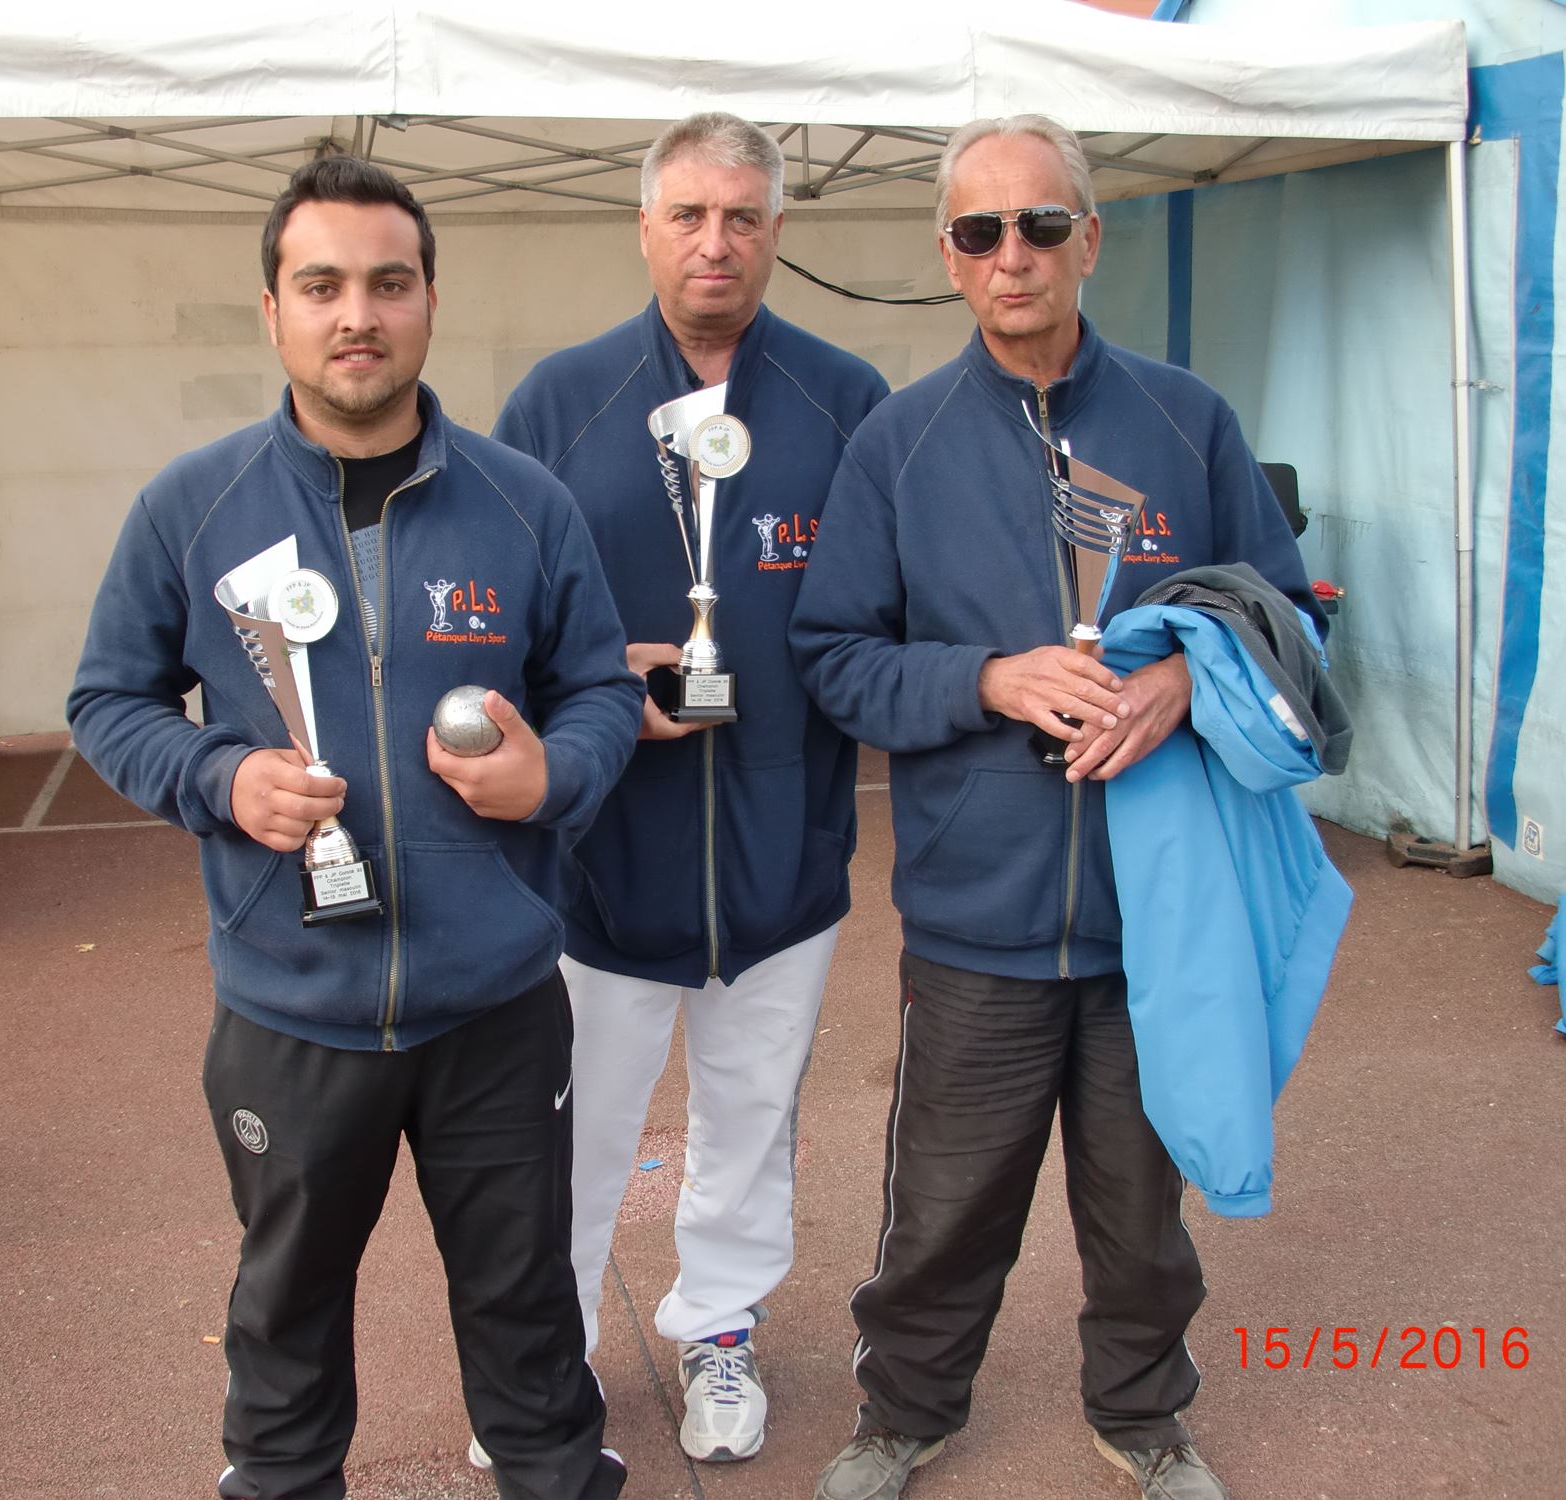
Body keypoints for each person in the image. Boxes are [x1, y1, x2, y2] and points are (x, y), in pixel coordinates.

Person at [67, 156, 642, 1500]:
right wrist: (220, 777)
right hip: (292, 1010)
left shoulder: (523, 502)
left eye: (389, 283)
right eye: (321, 285)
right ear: (272, 310)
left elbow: (603, 692)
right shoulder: (191, 506)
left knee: (529, 1314)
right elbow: (107, 701)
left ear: (430, 300)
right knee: (284, 1321)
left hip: (495, 1006)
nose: (357, 315)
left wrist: (550, 775)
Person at [790, 115, 1324, 1500]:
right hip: (979, 916)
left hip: (1162, 911)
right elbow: (833, 656)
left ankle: (1144, 1417)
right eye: (980, 231)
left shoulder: (1187, 420)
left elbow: (1287, 616)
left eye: (1039, 225)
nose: (1011, 255)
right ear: (949, 256)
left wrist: (1186, 687)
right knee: (943, 1208)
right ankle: (904, 1413)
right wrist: (988, 679)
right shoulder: (899, 443)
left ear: (1089, 237)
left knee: (1143, 1212)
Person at [493, 112, 890, 1464]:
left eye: (741, 216)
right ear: (645, 228)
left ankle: (720, 1328)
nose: (714, 242)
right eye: (688, 215)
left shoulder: (844, 401)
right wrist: (602, 680)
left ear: (777, 231)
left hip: (783, 861)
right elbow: (494, 622)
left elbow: (884, 613)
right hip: (598, 865)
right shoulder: (559, 403)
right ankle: (542, 1365)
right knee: (570, 1134)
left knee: (752, 1124)